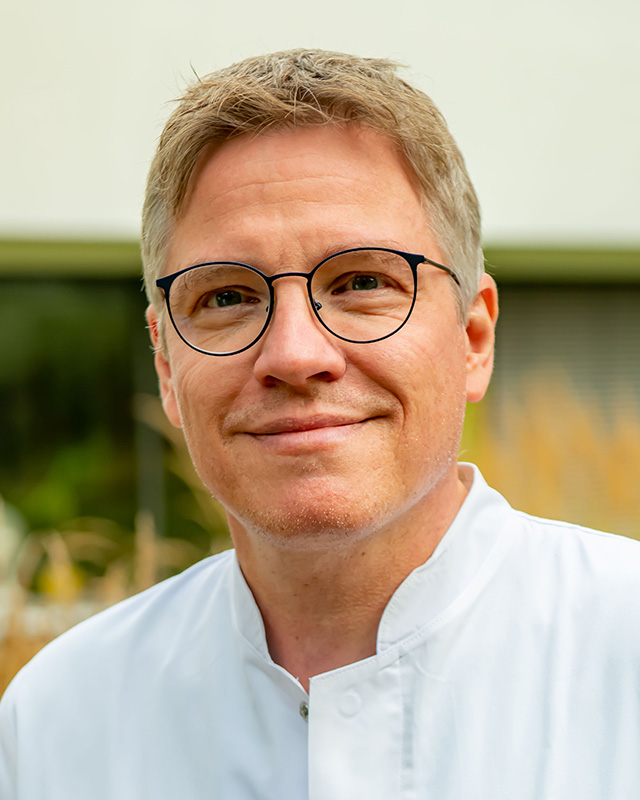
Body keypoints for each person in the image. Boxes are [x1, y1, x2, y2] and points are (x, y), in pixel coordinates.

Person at [1, 49, 639, 800]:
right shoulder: (61, 720)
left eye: (363, 281)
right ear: (167, 367)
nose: (296, 355)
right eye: (227, 297)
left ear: (473, 338)